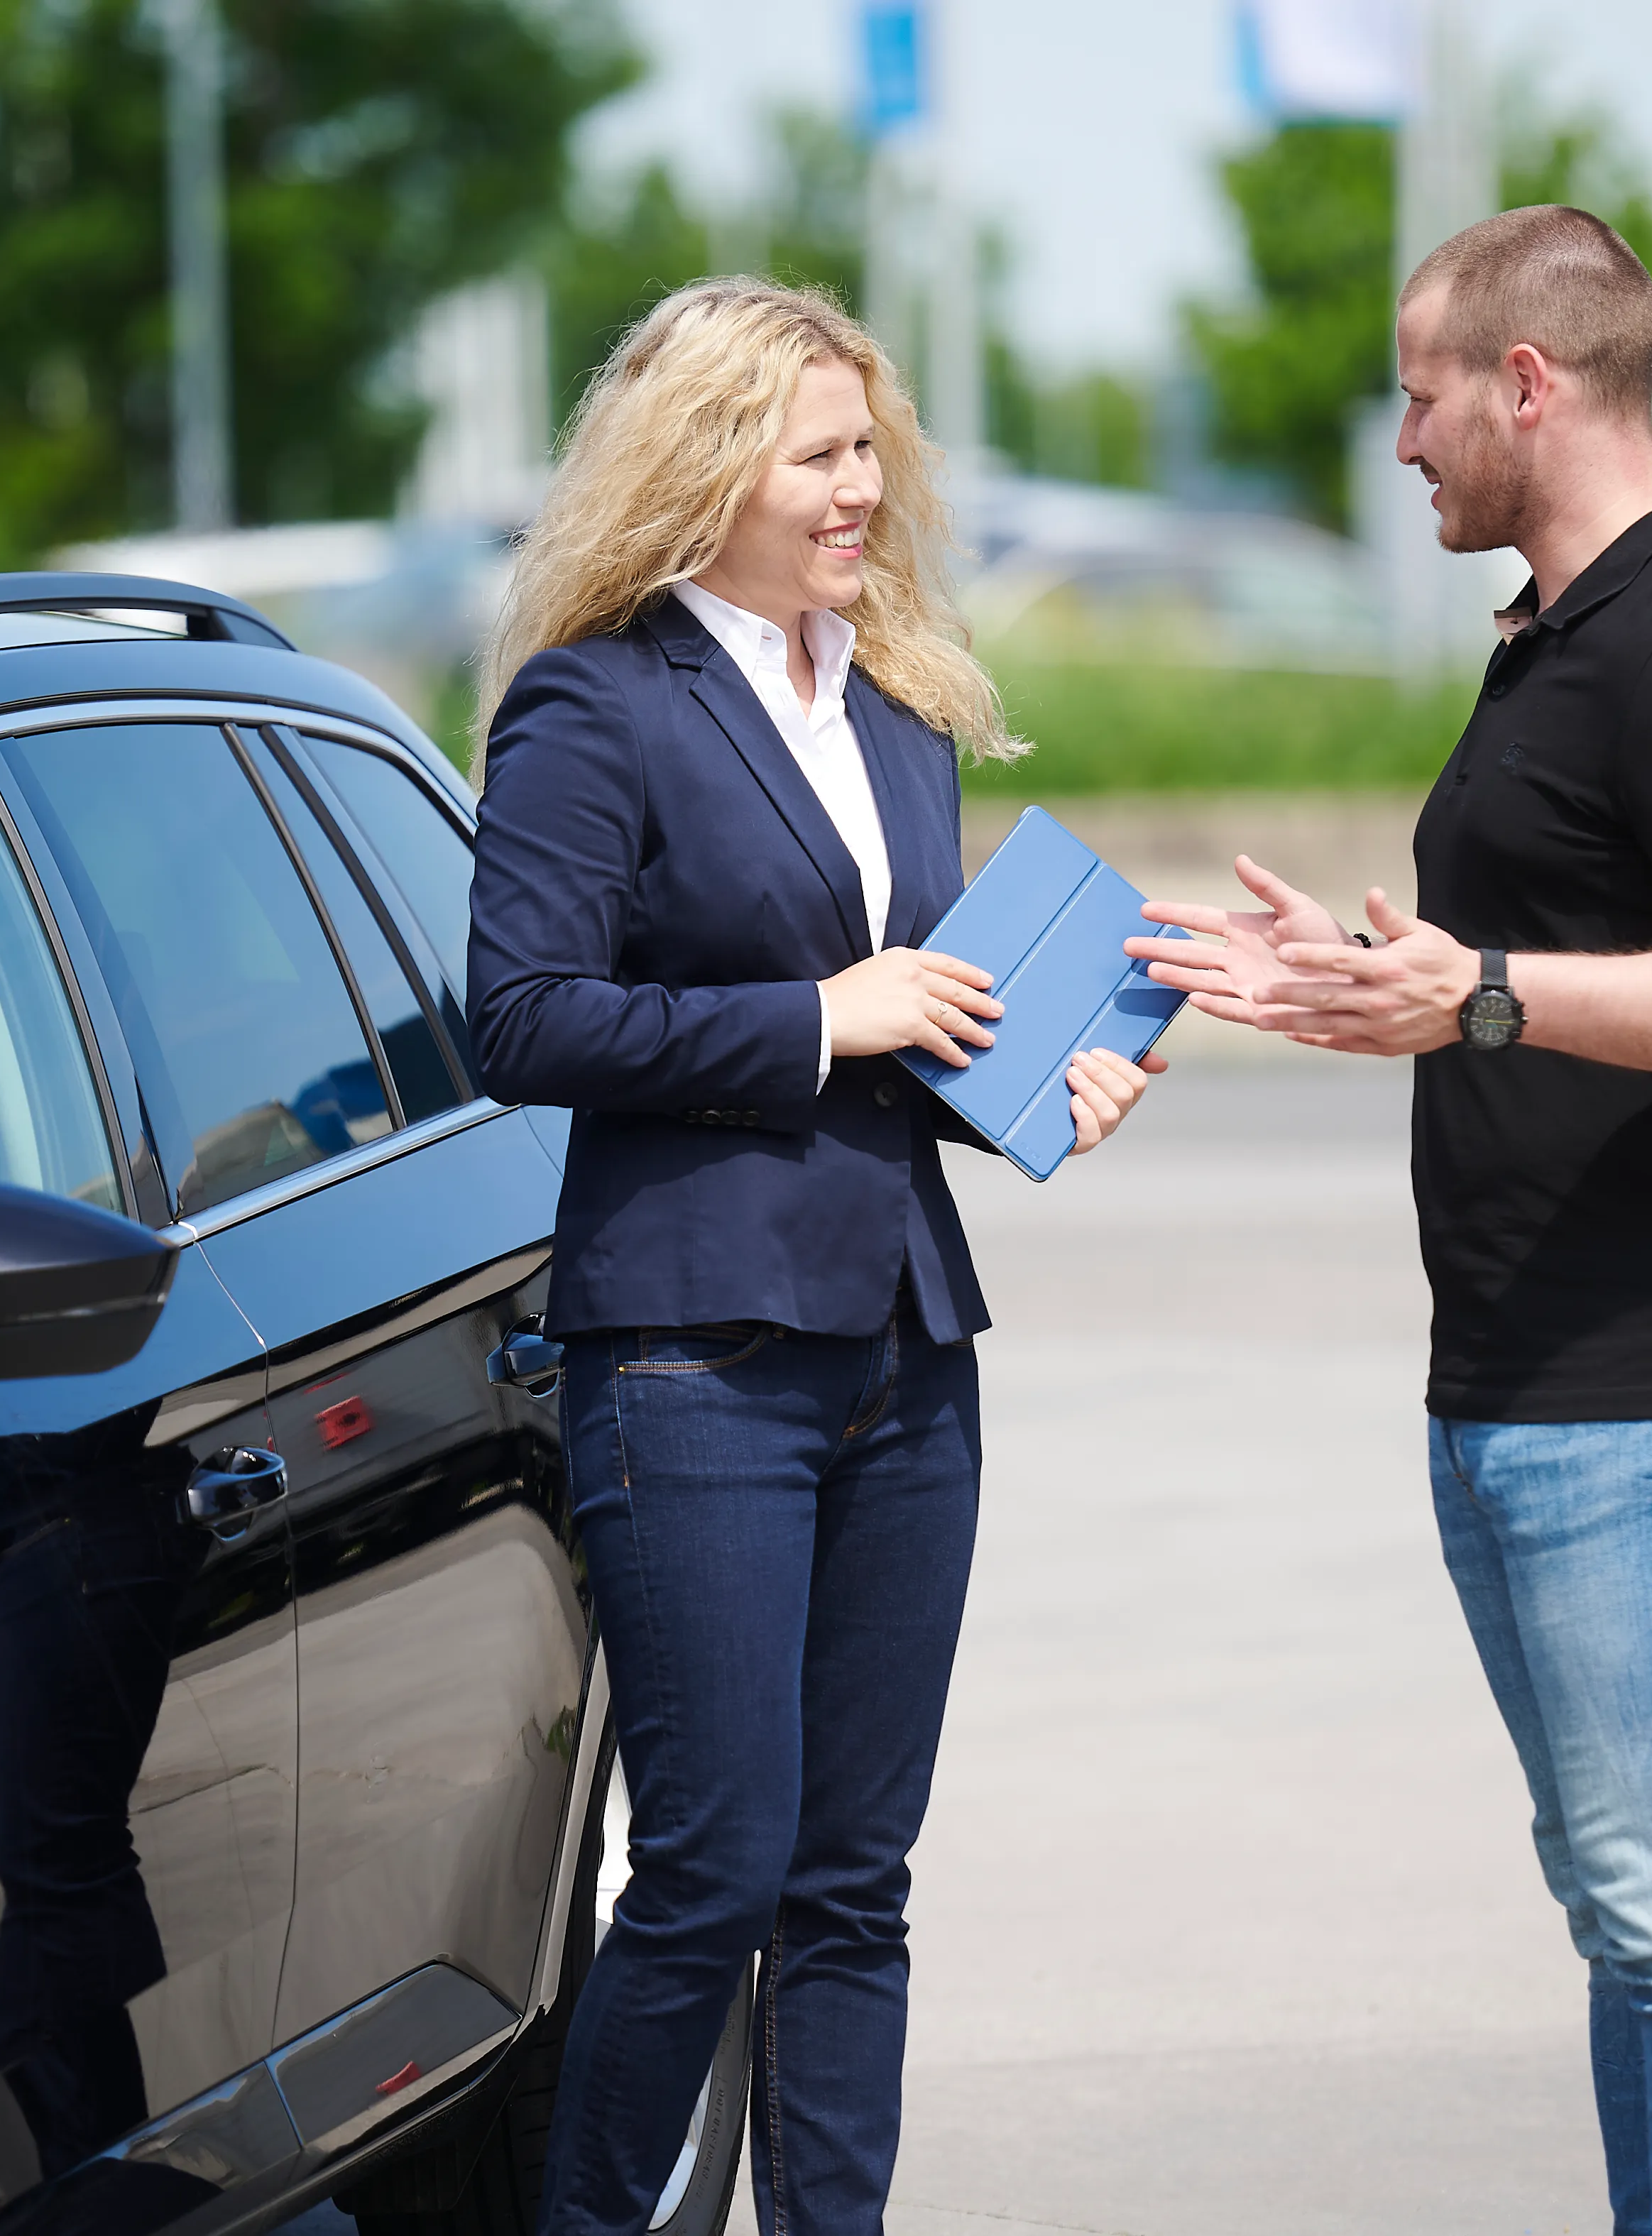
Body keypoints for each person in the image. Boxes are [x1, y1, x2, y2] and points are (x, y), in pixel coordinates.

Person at [1129, 207, 1652, 2236]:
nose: (1401, 441)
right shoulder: (1564, 635)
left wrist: (1483, 992)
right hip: (1537, 1384)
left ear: (1525, 386)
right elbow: (1527, 965)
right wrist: (1370, 978)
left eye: (1421, 393)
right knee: (1636, 1922)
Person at [469, 276, 1160, 2236]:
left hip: (901, 1344)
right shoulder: (596, 699)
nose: (864, 487)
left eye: (870, 447)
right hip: (690, 1356)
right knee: (710, 1865)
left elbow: (907, 1028)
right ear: (706, 468)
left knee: (857, 1881)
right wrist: (816, 1016)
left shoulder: (889, 705)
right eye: (822, 453)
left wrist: (1039, 1083)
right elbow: (518, 1017)